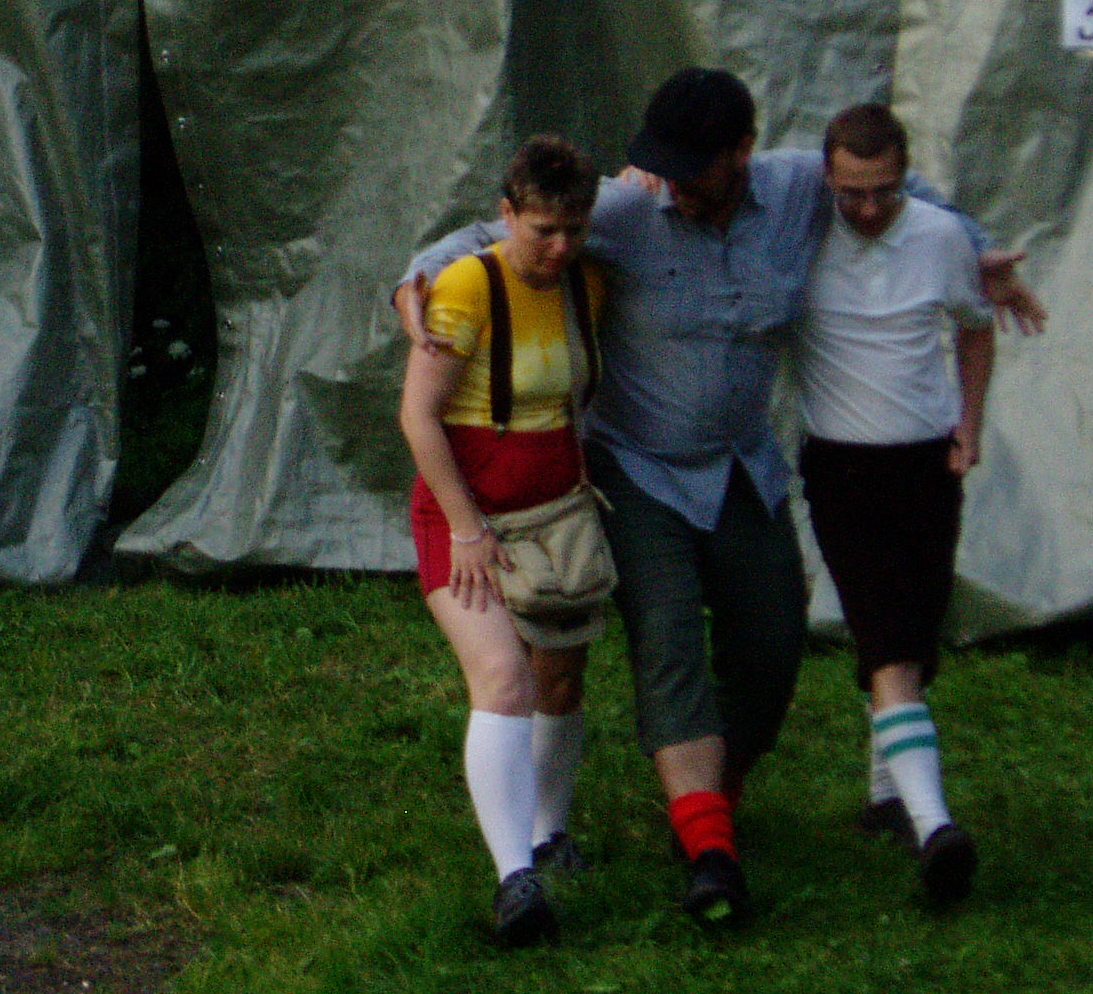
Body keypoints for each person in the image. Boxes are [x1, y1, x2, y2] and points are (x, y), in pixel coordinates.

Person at [398, 69, 1044, 924]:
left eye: (689, 166)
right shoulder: (626, 212)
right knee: (669, 643)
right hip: (641, 469)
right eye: (660, 164)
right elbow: (501, 233)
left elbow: (898, 188)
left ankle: (717, 793)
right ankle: (708, 849)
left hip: (744, 466)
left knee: (773, 643)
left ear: (742, 151)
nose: (669, 181)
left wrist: (976, 249)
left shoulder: (798, 188)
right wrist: (416, 279)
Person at [398, 136, 609, 947]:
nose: (558, 248)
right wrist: (466, 527)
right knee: (503, 677)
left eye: (574, 230)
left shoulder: (587, 282)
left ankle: (550, 832)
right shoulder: (467, 284)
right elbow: (418, 416)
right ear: (507, 214)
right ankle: (514, 878)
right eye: (542, 230)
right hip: (465, 515)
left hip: (558, 514)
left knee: (560, 677)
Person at [797, 103, 1002, 905]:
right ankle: (934, 824)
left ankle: (886, 797)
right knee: (887, 646)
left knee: (912, 640)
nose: (867, 209)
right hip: (842, 466)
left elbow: (975, 328)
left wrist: (969, 427)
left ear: (906, 176)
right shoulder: (801, 231)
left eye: (883, 191)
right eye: (851, 193)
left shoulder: (941, 237)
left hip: (926, 464)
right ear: (827, 177)